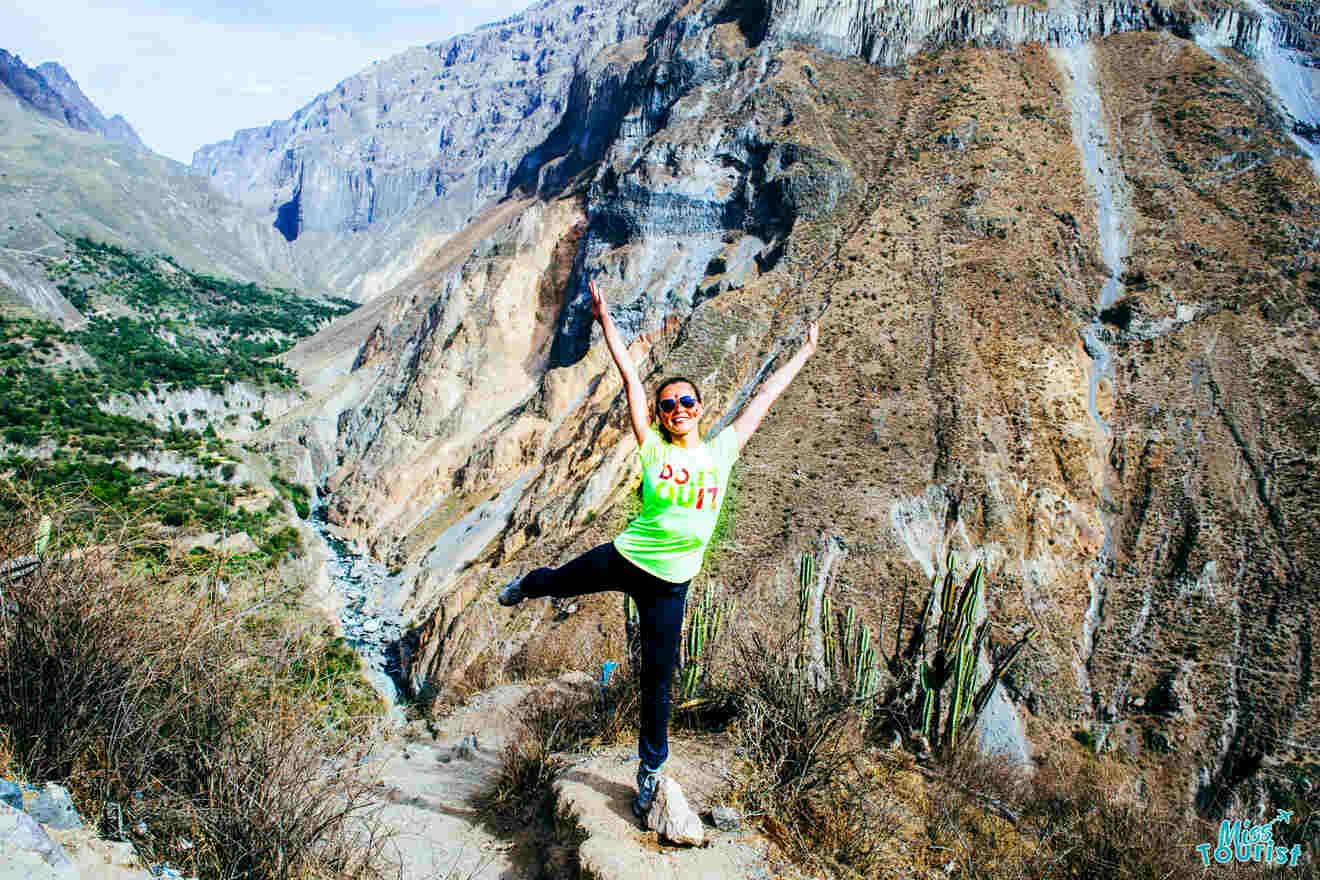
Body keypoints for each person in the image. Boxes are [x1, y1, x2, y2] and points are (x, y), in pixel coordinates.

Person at [498, 279, 819, 819]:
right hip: (626, 557)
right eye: (669, 404)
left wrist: (804, 353)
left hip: (670, 585)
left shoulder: (721, 451)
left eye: (687, 401)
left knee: (658, 679)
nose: (678, 408)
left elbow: (766, 396)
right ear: (662, 414)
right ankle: (527, 585)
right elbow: (629, 377)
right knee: (558, 582)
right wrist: (604, 320)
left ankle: (649, 771)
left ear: (700, 406)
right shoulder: (651, 446)